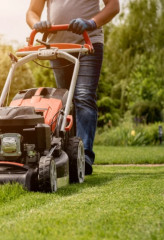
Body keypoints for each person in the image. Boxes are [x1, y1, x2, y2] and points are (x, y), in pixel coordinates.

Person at [26, 0, 120, 175]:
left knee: (83, 96)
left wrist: (92, 22)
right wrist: (37, 24)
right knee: (67, 102)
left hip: (87, 42)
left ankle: (84, 156)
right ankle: (70, 154)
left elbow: (113, 6)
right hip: (58, 46)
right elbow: (32, 11)